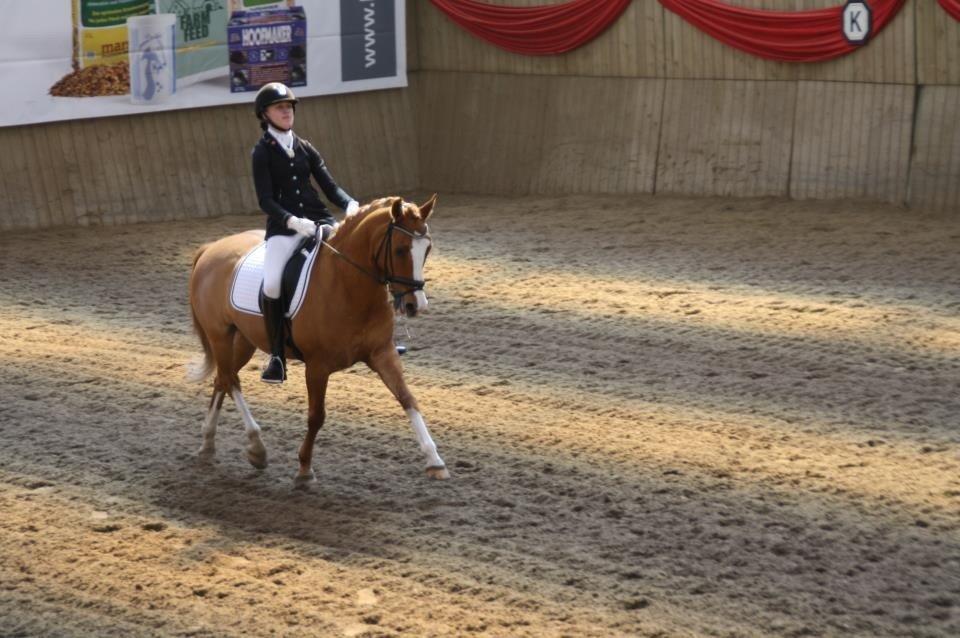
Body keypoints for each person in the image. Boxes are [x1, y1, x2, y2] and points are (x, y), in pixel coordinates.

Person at [251, 82, 360, 384]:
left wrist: (349, 203)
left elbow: (329, 185)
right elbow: (266, 200)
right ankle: (276, 355)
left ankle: (371, 334)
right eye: (279, 107)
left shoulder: (305, 147)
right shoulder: (261, 152)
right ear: (265, 114)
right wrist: (292, 221)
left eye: (289, 107)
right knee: (272, 283)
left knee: (356, 263)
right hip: (284, 229)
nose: (286, 111)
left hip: (319, 220)